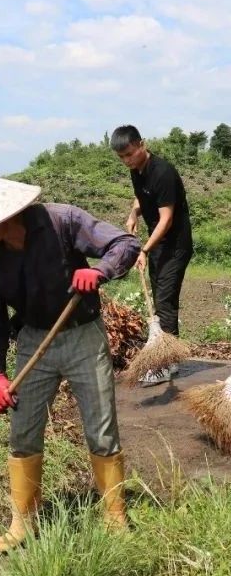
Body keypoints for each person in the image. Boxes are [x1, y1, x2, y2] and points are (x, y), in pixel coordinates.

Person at [0, 171, 140, 552]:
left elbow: (125, 243)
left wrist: (98, 270)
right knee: (22, 430)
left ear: (1, 217)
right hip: (33, 339)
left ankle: (115, 514)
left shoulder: (62, 221)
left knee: (100, 425)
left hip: (81, 335)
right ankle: (23, 521)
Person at [111, 125, 193, 386]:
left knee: (165, 301)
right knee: (160, 299)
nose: (127, 161)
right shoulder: (137, 171)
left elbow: (166, 219)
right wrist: (134, 213)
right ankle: (172, 358)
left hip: (175, 245)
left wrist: (143, 249)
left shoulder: (163, 172)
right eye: (122, 157)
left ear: (142, 144)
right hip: (158, 245)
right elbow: (141, 198)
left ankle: (165, 364)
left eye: (130, 154)